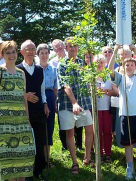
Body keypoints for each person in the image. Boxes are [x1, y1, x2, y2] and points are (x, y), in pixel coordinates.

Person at [0, 41, 36, 180]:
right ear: (2, 55)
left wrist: (27, 119)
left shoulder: (21, 73)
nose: (11, 55)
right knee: (9, 158)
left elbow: (23, 97)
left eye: (13, 52)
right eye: (7, 53)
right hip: (4, 122)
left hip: (21, 121)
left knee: (23, 155)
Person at [109, 44, 136, 180]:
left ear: (135, 66)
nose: (129, 67)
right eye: (127, 65)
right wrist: (115, 51)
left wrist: (134, 52)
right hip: (125, 115)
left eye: (132, 65)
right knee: (128, 143)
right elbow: (110, 69)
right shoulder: (120, 78)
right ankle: (129, 167)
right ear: (123, 67)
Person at [57, 37, 94, 174]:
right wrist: (74, 103)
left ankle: (87, 157)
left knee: (89, 129)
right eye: (70, 46)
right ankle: (74, 162)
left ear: (78, 48)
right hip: (68, 104)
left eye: (75, 46)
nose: (73, 48)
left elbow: (88, 80)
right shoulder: (62, 65)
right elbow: (65, 85)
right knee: (70, 132)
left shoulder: (82, 63)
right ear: (66, 48)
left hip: (84, 102)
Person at [17, 40, 50, 178]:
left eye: (32, 49)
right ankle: (26, 170)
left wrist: (45, 104)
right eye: (27, 49)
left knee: (40, 139)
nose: (30, 51)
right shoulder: (17, 69)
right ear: (22, 52)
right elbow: (14, 91)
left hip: (39, 109)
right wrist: (25, 96)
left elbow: (42, 90)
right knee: (26, 140)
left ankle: (39, 169)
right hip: (23, 110)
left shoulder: (39, 70)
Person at [36, 43, 58, 167]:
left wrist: (55, 103)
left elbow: (55, 89)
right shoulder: (34, 68)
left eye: (46, 53)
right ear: (38, 55)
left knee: (49, 128)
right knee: (39, 127)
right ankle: (38, 158)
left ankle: (47, 158)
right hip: (37, 98)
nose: (44, 55)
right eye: (41, 53)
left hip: (49, 97)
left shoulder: (53, 69)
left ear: (49, 54)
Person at [94, 54, 116, 163]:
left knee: (107, 131)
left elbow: (116, 91)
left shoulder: (109, 75)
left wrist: (104, 91)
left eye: (101, 62)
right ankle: (99, 153)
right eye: (97, 62)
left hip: (107, 107)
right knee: (98, 131)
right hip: (95, 108)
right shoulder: (91, 76)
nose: (99, 64)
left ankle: (108, 153)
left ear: (105, 63)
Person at [48, 39, 68, 151]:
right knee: (62, 120)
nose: (59, 47)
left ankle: (78, 144)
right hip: (59, 93)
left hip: (72, 92)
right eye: (56, 46)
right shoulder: (52, 63)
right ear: (53, 49)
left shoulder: (70, 59)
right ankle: (65, 145)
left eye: (60, 45)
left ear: (64, 46)